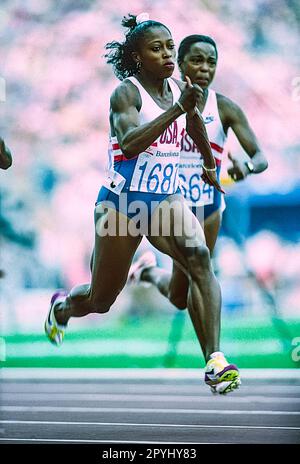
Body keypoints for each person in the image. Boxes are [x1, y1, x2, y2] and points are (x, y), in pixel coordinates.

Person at [45, 14, 239, 394]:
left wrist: (209, 163)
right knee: (100, 300)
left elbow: (195, 124)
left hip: (164, 200)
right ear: (137, 58)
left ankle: (215, 362)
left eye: (170, 46)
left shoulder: (178, 88)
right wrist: (177, 110)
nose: (168, 54)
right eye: (157, 49)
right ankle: (63, 308)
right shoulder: (127, 93)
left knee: (200, 257)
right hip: (121, 206)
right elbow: (131, 142)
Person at [129, 34, 268, 387]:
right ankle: (215, 359)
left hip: (207, 207)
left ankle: (147, 273)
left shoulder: (225, 108)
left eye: (211, 62)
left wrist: (244, 169)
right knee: (195, 276)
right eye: (196, 60)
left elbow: (260, 158)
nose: (204, 69)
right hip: (169, 204)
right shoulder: (166, 97)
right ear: (181, 62)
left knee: (181, 293)